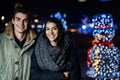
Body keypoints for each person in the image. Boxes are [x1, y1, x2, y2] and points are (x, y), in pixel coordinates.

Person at [0, 6, 37, 80]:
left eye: (25, 20)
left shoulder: (35, 43)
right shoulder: (1, 40)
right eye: (18, 19)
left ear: (28, 23)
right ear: (13, 21)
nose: (21, 23)